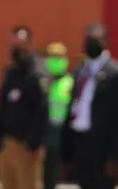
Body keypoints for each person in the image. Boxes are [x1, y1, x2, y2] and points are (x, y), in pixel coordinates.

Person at [62, 23, 118, 189]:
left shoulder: (117, 73)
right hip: (80, 142)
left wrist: (115, 157)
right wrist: (67, 150)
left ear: (105, 42)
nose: (90, 44)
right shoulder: (79, 71)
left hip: (102, 147)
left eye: (95, 40)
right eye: (87, 39)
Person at [0, 25, 49, 189]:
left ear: (29, 45)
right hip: (8, 144)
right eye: (13, 44)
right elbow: (2, 108)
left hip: (27, 146)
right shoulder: (10, 73)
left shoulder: (37, 74)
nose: (16, 49)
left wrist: (33, 145)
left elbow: (41, 112)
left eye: (20, 45)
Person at [42, 42, 74, 189]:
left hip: (61, 129)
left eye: (59, 58)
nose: (55, 61)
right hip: (42, 129)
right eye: (52, 57)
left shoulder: (70, 82)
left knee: (52, 168)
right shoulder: (41, 80)